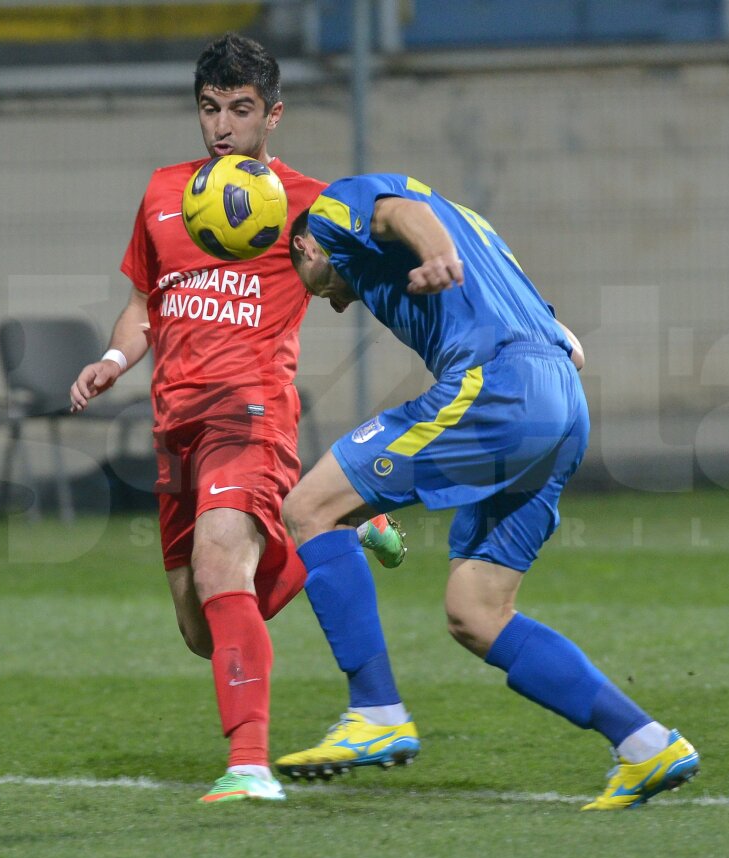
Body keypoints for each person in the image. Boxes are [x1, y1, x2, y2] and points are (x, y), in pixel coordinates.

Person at [279, 173, 700, 810]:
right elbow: (575, 349)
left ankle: (375, 711)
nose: (334, 302)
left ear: (308, 249)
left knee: (310, 508)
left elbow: (399, 212)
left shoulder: (336, 212)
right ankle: (645, 744)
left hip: (496, 388)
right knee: (476, 613)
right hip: (562, 399)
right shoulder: (478, 227)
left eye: (319, 288)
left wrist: (437, 257)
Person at [68, 34, 412, 805]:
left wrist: (519, 317)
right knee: (202, 629)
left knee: (222, 567)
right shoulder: (163, 193)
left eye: (241, 109)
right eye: (210, 108)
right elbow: (142, 305)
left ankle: (249, 765)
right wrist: (115, 361)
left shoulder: (311, 205)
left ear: (273, 114)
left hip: (250, 413)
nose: (223, 126)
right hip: (175, 425)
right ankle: (334, 530)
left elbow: (401, 240)